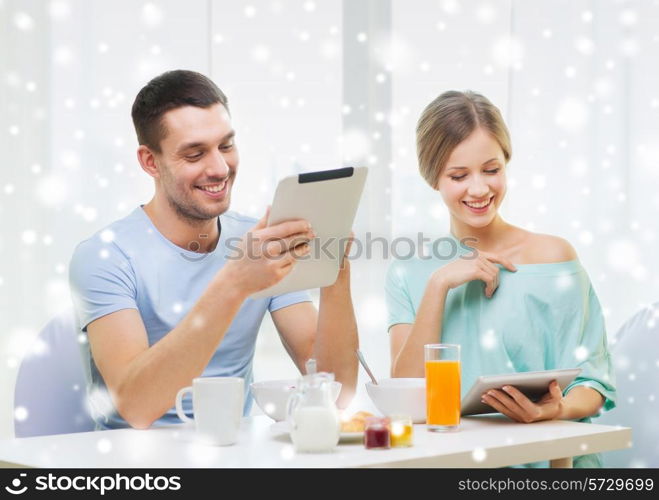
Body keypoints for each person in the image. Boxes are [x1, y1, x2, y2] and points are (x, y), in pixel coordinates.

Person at [69, 70, 358, 430]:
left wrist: (334, 270)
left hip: (232, 458)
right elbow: (137, 407)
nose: (220, 168)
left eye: (226, 146)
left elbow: (337, 391)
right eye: (194, 154)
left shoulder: (258, 241)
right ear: (149, 162)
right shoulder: (105, 257)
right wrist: (235, 282)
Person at [385, 90, 616, 467]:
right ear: (433, 179)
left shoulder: (555, 258)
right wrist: (439, 285)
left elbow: (593, 384)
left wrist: (551, 411)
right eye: (459, 175)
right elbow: (407, 399)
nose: (479, 189)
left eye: (491, 170)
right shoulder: (409, 273)